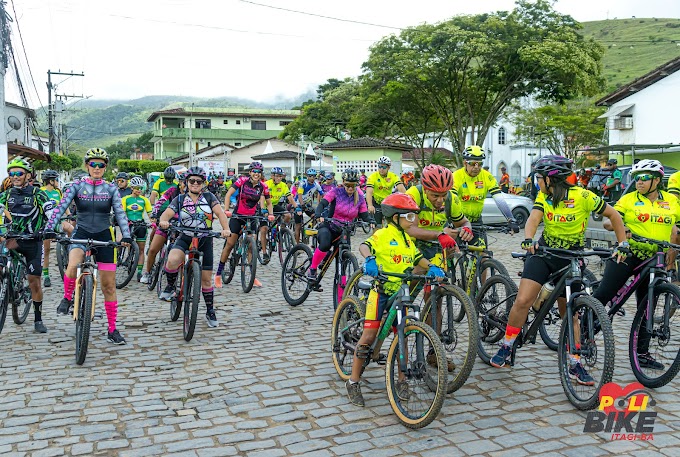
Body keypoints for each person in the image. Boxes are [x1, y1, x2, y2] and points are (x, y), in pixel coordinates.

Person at [489, 155, 626, 385]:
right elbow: (533, 218)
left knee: (570, 313)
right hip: (544, 254)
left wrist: (622, 244)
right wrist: (529, 238)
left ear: (550, 179)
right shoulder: (545, 196)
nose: (537, 182)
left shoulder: (583, 196)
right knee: (523, 300)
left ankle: (575, 363)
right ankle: (507, 345)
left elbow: (613, 215)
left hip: (571, 258)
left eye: (539, 178)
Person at [346, 192, 446, 406]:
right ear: (394, 217)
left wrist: (432, 267)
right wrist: (370, 259)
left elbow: (417, 257)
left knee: (404, 335)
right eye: (408, 216)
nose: (413, 220)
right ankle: (353, 381)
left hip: (401, 291)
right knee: (369, 335)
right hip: (381, 291)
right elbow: (365, 245)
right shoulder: (382, 234)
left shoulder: (407, 239)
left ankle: (402, 380)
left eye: (413, 217)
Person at [594, 159, 678, 370]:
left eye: (644, 178)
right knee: (605, 293)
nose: (639, 182)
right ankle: (583, 331)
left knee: (647, 306)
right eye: (636, 178)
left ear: (657, 180)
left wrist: (673, 250)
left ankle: (642, 353)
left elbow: (676, 228)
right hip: (628, 254)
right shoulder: (629, 199)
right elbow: (608, 220)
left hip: (655, 259)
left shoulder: (672, 201)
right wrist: (620, 228)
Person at [44, 148, 131, 345]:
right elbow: (61, 207)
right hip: (81, 232)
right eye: (93, 164)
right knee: (73, 264)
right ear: (87, 166)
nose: (97, 168)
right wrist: (50, 228)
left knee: (109, 286)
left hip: (104, 235)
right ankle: (67, 298)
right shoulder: (76, 185)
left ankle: (112, 329)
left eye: (101, 164)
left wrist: (126, 235)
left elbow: (120, 213)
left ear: (105, 167)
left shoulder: (111, 189)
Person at [404, 165, 474, 371]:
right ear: (425, 189)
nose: (440, 200)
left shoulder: (451, 199)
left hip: (438, 251)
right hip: (412, 249)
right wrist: (439, 234)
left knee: (434, 300)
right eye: (435, 195)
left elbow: (464, 221)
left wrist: (466, 229)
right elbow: (412, 229)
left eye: (443, 195)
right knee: (403, 296)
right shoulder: (413, 195)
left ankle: (434, 352)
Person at [158, 167, 230, 327]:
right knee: (172, 260)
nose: (195, 184)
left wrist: (226, 229)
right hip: (185, 236)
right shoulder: (180, 199)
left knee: (206, 280)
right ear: (186, 182)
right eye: (192, 181)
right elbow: (167, 214)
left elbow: (220, 214)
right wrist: (164, 221)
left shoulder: (209, 197)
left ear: (203, 183)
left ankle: (210, 310)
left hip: (205, 238)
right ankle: (170, 287)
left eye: (199, 181)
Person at [0, 159, 57, 333]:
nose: (15, 177)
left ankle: (38, 319)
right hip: (12, 240)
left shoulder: (37, 194)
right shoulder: (6, 195)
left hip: (33, 240)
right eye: (12, 173)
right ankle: (6, 286)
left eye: (19, 173)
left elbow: (50, 212)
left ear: (28, 175)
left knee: (34, 282)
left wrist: (50, 228)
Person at [216, 161, 275, 287]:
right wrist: (226, 210)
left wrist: (270, 214)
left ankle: (252, 277)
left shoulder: (263, 186)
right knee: (230, 244)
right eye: (254, 171)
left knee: (251, 246)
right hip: (238, 216)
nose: (256, 174)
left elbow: (269, 202)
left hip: (252, 217)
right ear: (250, 172)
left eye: (259, 172)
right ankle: (218, 274)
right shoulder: (242, 181)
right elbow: (228, 195)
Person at [308, 169, 372, 281]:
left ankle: (341, 294)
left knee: (343, 263)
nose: (350, 188)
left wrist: (371, 221)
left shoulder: (360, 197)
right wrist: (318, 214)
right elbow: (323, 203)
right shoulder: (336, 191)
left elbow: (364, 214)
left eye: (353, 185)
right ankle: (312, 269)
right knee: (325, 244)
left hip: (344, 231)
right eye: (347, 185)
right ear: (343, 183)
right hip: (330, 225)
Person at [452, 146, 519, 243]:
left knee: (484, 255)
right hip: (459, 222)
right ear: (465, 163)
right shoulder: (456, 176)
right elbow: (451, 200)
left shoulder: (487, 176)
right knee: (456, 255)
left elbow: (499, 199)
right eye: (472, 163)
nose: (476, 167)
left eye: (480, 164)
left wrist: (510, 219)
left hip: (476, 221)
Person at [140, 174, 187, 284]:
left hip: (183, 226)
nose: (186, 185)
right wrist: (154, 214)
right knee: (153, 249)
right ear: (179, 183)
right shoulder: (172, 190)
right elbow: (160, 201)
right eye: (184, 182)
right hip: (167, 222)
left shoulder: (195, 195)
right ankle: (147, 272)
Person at [122, 177, 153, 281]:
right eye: (136, 188)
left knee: (141, 250)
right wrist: (126, 222)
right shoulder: (125, 199)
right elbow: (122, 213)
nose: (139, 190)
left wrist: (152, 223)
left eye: (140, 188)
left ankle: (139, 272)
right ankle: (125, 257)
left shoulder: (145, 200)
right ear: (131, 188)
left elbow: (150, 214)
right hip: (129, 224)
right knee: (127, 243)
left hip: (140, 225)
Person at [365, 156, 406, 230]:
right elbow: (369, 192)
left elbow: (401, 189)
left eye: (384, 167)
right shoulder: (373, 176)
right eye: (379, 166)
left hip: (388, 203)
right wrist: (370, 205)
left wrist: (406, 200)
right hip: (376, 202)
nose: (381, 169)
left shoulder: (393, 176)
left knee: (392, 225)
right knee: (377, 226)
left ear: (388, 168)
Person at [40, 169, 63, 288]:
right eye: (56, 180)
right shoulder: (40, 192)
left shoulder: (57, 192)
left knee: (71, 230)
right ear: (51, 181)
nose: (58, 182)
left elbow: (62, 205)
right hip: (45, 223)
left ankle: (69, 253)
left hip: (57, 222)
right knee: (47, 248)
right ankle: (46, 275)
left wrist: (69, 217)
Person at [293, 168, 325, 243]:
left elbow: (322, 194)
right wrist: (302, 205)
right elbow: (300, 195)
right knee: (298, 225)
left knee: (316, 217)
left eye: (314, 176)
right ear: (307, 176)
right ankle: (297, 245)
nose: (312, 178)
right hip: (298, 204)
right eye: (310, 176)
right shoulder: (303, 183)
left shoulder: (316, 184)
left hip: (306, 204)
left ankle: (309, 229)